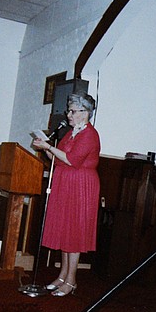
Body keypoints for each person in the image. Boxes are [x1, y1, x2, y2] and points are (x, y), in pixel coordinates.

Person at [31, 92, 101, 297]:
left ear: (85, 113)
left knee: (75, 232)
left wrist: (48, 146)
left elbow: (72, 160)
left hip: (81, 186)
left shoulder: (90, 134)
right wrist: (44, 147)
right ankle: (62, 276)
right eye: (69, 110)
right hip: (66, 182)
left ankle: (71, 280)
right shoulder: (72, 133)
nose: (69, 114)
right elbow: (58, 158)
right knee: (65, 230)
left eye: (73, 111)